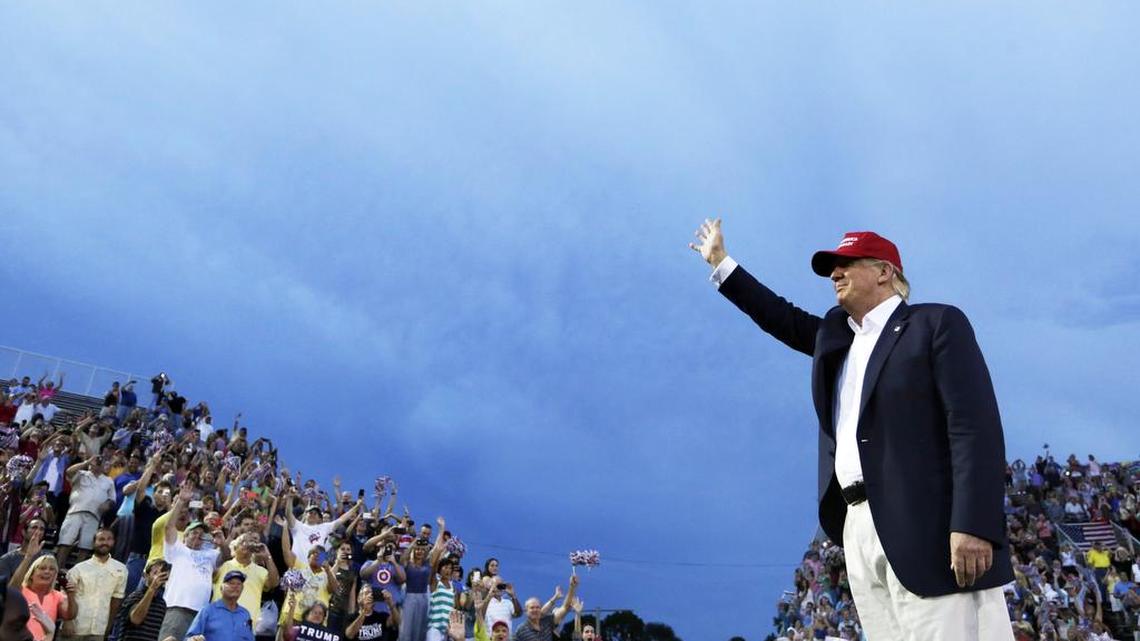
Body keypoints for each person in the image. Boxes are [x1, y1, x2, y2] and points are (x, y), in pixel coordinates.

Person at [691, 222, 1014, 640]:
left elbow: (974, 427)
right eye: (832, 268)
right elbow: (779, 315)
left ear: (884, 272)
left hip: (926, 522)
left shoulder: (935, 324)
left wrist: (973, 523)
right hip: (857, 524)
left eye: (846, 264)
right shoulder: (836, 338)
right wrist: (721, 263)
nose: (834, 274)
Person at [156, 483, 222, 641]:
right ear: (184, 536)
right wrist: (180, 501)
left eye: (201, 535)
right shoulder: (177, 549)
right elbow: (169, 527)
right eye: (194, 533)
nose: (197, 537)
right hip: (178, 608)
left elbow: (224, 557)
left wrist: (223, 543)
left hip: (201, 614)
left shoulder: (210, 554)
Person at [59, 527, 128, 640]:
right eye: (101, 539)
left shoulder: (121, 569)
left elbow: (116, 601)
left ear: (113, 542)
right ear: (94, 543)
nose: (105, 542)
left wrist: (107, 628)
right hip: (75, 626)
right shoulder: (79, 568)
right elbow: (64, 595)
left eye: (109, 539)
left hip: (98, 630)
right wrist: (67, 621)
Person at [55, 454, 116, 568]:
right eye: (96, 462)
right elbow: (68, 472)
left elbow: (112, 499)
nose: (98, 464)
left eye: (100, 462)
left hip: (94, 516)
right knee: (66, 542)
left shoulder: (108, 481)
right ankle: (57, 570)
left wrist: (107, 504)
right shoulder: (81, 474)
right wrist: (87, 462)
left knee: (85, 546)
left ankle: (77, 574)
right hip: (75, 512)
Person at [213, 533, 279, 630]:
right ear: (235, 549)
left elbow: (274, 583)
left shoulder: (260, 570)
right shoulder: (224, 565)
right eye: (242, 541)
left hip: (246, 626)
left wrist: (267, 557)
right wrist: (222, 545)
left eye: (250, 542)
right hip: (219, 622)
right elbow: (210, 574)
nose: (246, 544)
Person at [185, 570, 255, 641]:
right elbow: (190, 638)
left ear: (242, 589)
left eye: (239, 584)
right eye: (231, 583)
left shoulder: (245, 614)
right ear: (221, 588)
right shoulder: (208, 611)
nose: (235, 586)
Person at [19, 556, 75, 641]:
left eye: (52, 569)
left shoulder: (58, 596)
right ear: (31, 574)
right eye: (42, 568)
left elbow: (69, 615)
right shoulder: (20, 591)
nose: (47, 572)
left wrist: (71, 596)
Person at [113, 559, 170, 641]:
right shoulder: (134, 596)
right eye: (155, 573)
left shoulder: (162, 604)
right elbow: (136, 619)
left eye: (161, 574)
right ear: (146, 576)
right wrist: (152, 589)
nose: (158, 577)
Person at [513, 574, 578, 641]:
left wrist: (572, 587)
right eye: (532, 608)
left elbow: (565, 607)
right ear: (526, 611)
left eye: (538, 607)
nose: (535, 610)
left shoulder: (547, 621)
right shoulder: (521, 630)